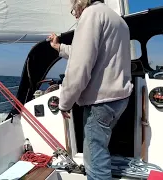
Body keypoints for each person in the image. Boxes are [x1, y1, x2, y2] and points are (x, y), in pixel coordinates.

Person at [48, 0, 133, 179]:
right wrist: (59, 47)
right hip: (119, 98)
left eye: (74, 9)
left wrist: (65, 103)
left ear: (80, 2)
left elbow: (80, 66)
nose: (75, 14)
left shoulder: (91, 14)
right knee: (100, 149)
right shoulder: (118, 21)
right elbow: (88, 51)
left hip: (100, 102)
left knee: (95, 161)